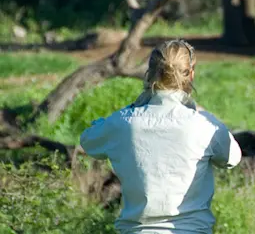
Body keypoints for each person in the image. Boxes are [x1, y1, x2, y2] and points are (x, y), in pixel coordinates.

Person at [80, 39, 242, 234]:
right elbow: (233, 158)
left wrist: (132, 109)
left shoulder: (124, 122)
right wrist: (203, 113)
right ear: (190, 75)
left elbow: (88, 141)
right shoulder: (202, 124)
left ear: (149, 74)